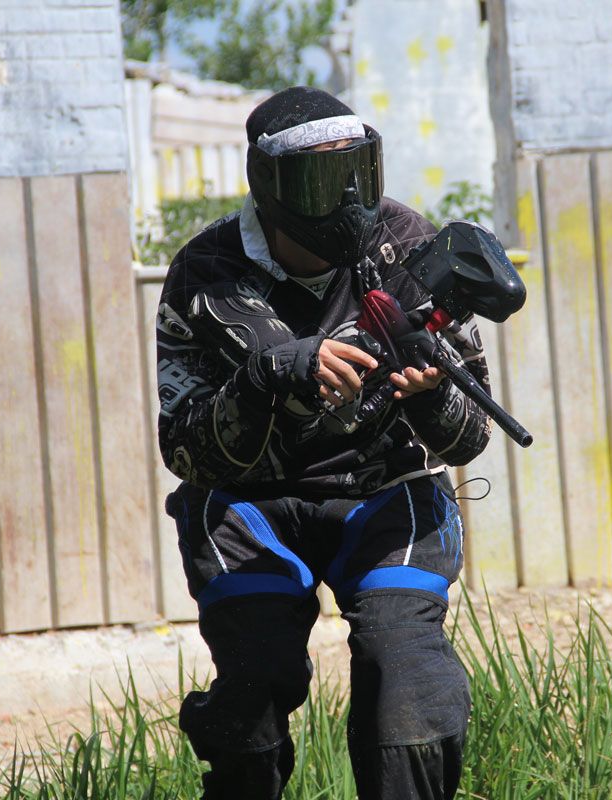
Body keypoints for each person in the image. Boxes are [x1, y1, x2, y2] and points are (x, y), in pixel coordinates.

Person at [155, 86, 494, 800]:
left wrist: (430, 396)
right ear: (270, 187)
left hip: (385, 494)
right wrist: (268, 377)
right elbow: (184, 452)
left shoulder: (408, 245)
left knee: (410, 685)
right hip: (249, 507)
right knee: (255, 683)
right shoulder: (206, 271)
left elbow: (470, 438)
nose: (347, 202)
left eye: (357, 173)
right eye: (321, 180)